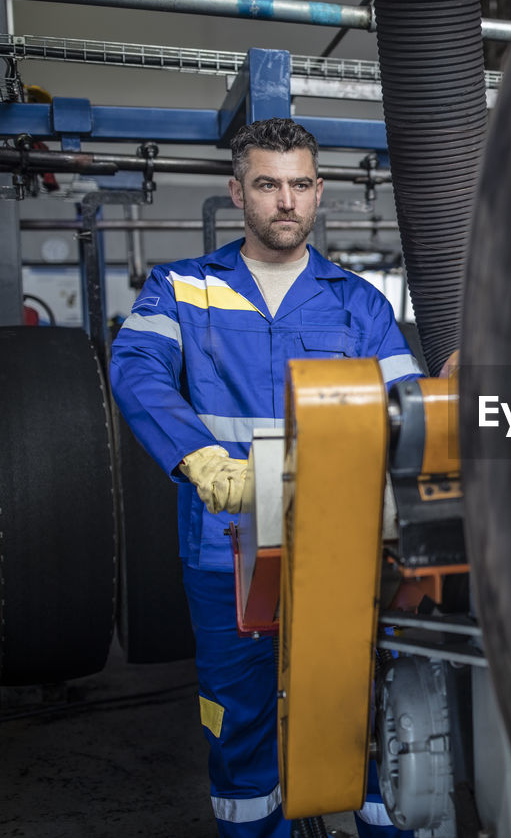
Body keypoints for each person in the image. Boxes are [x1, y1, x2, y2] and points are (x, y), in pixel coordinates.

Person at [110, 118, 422, 838]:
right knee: (240, 727)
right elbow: (136, 367)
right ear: (237, 192)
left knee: (366, 714)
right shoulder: (184, 289)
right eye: (267, 184)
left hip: (342, 551)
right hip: (228, 550)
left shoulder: (359, 303)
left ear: (319, 194)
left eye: (300, 184)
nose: (286, 200)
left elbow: (407, 407)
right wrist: (197, 456)